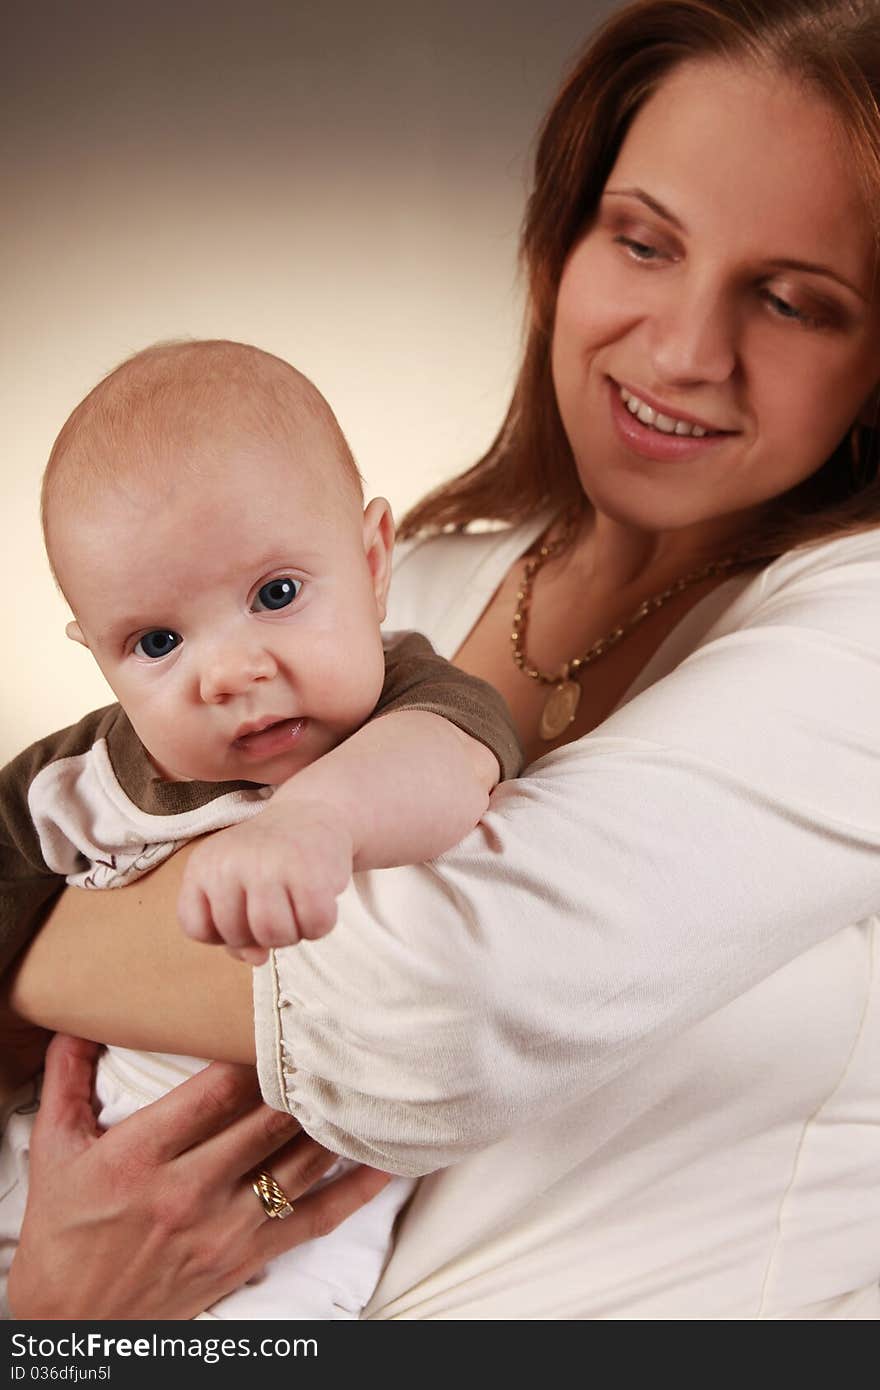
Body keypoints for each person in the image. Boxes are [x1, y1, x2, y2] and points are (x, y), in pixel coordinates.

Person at [5, 0, 880, 1320]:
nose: (685, 351)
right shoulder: (419, 574)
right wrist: (63, 1309)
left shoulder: (855, 628)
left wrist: (44, 933)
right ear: (564, 238)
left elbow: (427, 1003)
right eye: (643, 242)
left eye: (793, 300)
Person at [0, 339, 522, 1319]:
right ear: (97, 655)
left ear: (373, 563)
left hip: (278, 1207)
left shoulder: (404, 708)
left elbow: (451, 764)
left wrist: (316, 821)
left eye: (276, 595)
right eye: (157, 642)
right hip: (43, 1192)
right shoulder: (94, 774)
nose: (230, 671)